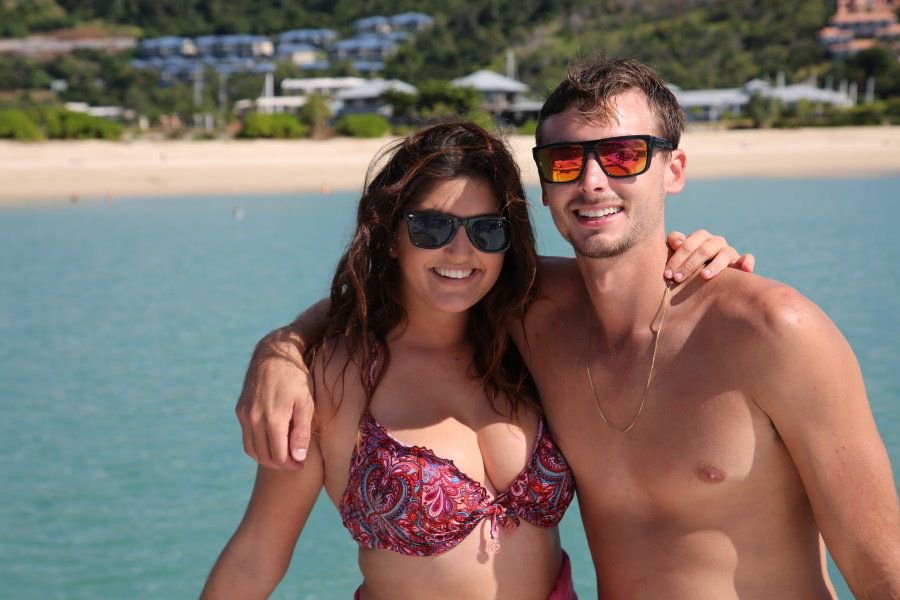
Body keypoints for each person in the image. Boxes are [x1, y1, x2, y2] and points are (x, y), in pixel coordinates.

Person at [236, 58, 900, 598]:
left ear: (674, 169)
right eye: (564, 162)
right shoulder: (533, 310)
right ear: (545, 186)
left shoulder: (773, 332)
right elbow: (403, 284)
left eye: (623, 156)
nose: (590, 181)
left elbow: (881, 569)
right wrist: (285, 347)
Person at [209, 119, 748, 600]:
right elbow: (257, 557)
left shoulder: (530, 337)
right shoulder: (334, 375)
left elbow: (633, 288)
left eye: (487, 230)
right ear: (392, 236)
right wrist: (280, 350)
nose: (460, 252)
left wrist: (707, 265)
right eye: (432, 228)